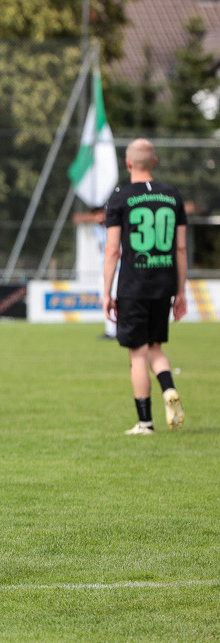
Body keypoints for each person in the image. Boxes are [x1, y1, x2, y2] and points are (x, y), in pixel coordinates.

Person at [103, 138, 187, 435]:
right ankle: (169, 390)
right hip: (164, 285)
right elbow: (180, 249)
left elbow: (113, 250)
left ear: (128, 164)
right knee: (155, 348)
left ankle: (145, 422)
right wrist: (181, 292)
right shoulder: (172, 195)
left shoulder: (120, 197)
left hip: (133, 286)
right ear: (154, 162)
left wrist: (106, 293)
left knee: (137, 353)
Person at [92, 205, 118, 340]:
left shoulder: (113, 227)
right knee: (106, 298)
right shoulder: (96, 229)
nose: (99, 217)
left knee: (114, 298)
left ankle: (117, 329)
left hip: (116, 268)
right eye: (96, 214)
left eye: (101, 213)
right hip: (103, 268)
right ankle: (111, 330)